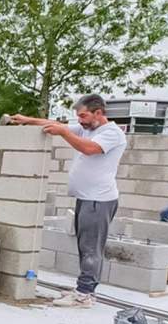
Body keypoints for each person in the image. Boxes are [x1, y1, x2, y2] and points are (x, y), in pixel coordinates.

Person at [11, 94, 127, 308]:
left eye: (83, 115)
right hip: (86, 198)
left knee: (91, 248)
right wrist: (26, 119)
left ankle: (84, 294)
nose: (80, 120)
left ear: (98, 113)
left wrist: (63, 132)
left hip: (99, 200)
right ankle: (84, 289)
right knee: (85, 247)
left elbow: (89, 149)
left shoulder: (112, 133)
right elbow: (55, 124)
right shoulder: (87, 128)